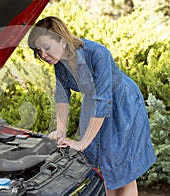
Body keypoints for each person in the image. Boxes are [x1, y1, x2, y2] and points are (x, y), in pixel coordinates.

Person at [28, 16, 156, 195]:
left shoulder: (98, 53)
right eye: (38, 50)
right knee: (103, 166)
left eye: (46, 48)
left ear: (63, 40)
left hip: (122, 104)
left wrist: (82, 143)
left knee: (123, 169)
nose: (42, 55)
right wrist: (61, 131)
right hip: (94, 105)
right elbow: (62, 96)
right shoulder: (59, 63)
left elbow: (103, 100)